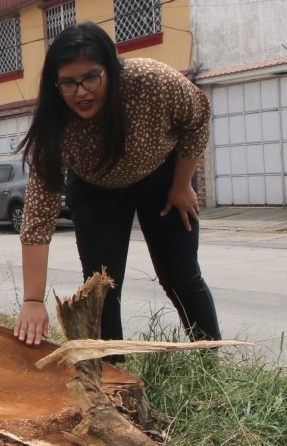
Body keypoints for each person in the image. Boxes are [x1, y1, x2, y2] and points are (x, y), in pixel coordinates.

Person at [13, 21, 221, 348]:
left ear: (111, 69)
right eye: (68, 83)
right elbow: (38, 217)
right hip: (97, 191)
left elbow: (196, 120)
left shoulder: (153, 81)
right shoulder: (55, 124)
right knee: (101, 290)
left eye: (91, 77)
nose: (81, 92)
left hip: (164, 179)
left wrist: (182, 185)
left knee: (181, 277)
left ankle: (209, 363)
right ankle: (112, 378)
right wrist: (33, 301)